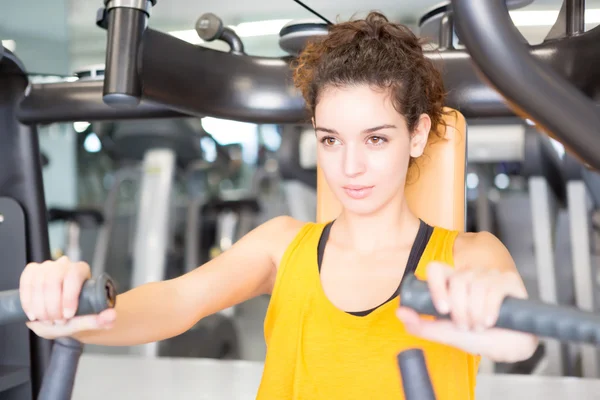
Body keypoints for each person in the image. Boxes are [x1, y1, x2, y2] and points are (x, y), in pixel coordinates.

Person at [20, 11, 538, 400]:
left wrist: (489, 314)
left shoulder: (468, 256)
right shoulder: (282, 243)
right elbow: (178, 302)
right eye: (331, 140)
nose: (349, 167)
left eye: (376, 139)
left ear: (418, 135)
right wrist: (76, 314)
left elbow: (519, 338)